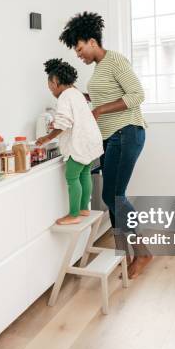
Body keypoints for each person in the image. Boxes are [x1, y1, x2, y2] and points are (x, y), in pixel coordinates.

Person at [59, 11, 152, 278]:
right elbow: (105, 95)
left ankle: (142, 251)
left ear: (91, 40)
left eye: (79, 49)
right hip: (112, 137)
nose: (79, 55)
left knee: (115, 196)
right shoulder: (100, 68)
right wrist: (82, 96)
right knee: (111, 196)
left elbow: (137, 95)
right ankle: (126, 253)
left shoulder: (115, 60)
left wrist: (99, 111)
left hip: (128, 132)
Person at [36, 58, 104, 225]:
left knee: (72, 177)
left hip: (79, 144)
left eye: (50, 85)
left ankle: (73, 215)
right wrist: (57, 125)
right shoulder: (76, 93)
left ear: (56, 81)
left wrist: (47, 138)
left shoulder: (65, 96)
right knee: (85, 173)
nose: (50, 89)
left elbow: (64, 122)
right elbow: (73, 118)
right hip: (91, 142)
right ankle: (83, 208)